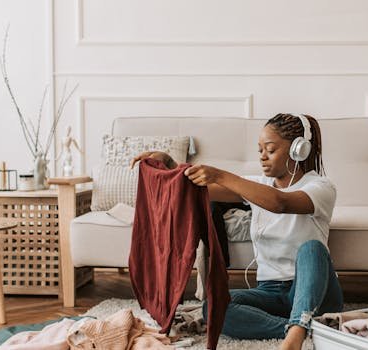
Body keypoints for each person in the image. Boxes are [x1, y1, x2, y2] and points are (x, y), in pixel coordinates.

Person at [132, 113, 343, 350]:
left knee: (311, 249)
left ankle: (298, 332)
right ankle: (298, 328)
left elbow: (280, 203)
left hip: (315, 292)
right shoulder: (258, 185)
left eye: (270, 149)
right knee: (213, 306)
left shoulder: (321, 187)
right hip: (271, 291)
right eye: (260, 149)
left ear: (298, 150)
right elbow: (198, 189)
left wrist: (221, 175)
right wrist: (169, 164)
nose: (262, 156)